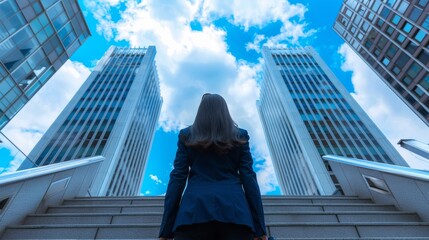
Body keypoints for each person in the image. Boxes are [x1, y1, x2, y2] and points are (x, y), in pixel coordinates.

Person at [158, 93, 267, 240]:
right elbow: (248, 178)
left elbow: (177, 178)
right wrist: (260, 228)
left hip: (192, 213)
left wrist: (166, 229)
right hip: (236, 213)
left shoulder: (187, 135)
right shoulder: (240, 135)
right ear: (225, 110)